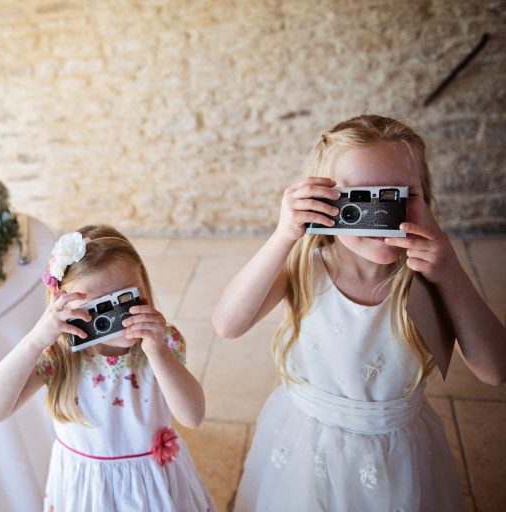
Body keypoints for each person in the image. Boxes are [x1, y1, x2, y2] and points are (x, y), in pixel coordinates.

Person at [212, 114, 506, 511]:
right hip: (306, 443)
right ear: (322, 202)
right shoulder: (306, 265)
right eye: (359, 199)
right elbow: (227, 325)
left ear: (427, 199)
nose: (382, 216)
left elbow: (495, 370)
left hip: (397, 452)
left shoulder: (427, 276)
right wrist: (284, 234)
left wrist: (450, 272)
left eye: (401, 195)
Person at [0, 225, 216, 511]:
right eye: (99, 308)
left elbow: (192, 417)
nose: (118, 317)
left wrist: (158, 351)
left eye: (127, 298)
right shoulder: (60, 355)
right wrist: (36, 340)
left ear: (144, 285)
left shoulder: (162, 341)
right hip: (87, 490)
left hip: (153, 484)